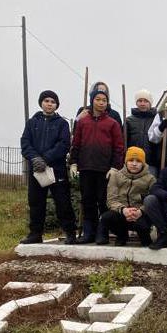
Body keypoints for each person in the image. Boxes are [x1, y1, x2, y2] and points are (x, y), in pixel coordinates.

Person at [19, 89, 77, 245]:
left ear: (56, 105)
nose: (49, 104)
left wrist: (45, 158)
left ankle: (70, 232)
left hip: (56, 169)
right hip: (36, 170)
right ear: (41, 103)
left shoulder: (62, 124)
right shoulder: (32, 123)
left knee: (63, 202)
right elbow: (25, 143)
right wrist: (35, 158)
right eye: (47, 101)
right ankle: (35, 234)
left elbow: (64, 144)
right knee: (36, 202)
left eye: (53, 102)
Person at [69, 86, 125, 243]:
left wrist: (115, 167)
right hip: (86, 167)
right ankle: (89, 233)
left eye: (104, 100)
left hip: (104, 169)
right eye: (98, 99)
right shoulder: (82, 122)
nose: (101, 103)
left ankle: (102, 232)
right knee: (88, 200)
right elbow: (76, 143)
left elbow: (119, 148)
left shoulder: (112, 123)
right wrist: (73, 162)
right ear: (92, 101)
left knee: (103, 201)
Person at [96, 146, 156, 246]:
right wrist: (123, 210)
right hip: (122, 214)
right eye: (131, 160)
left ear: (143, 163)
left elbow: (153, 200)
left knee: (144, 233)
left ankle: (145, 237)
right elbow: (111, 200)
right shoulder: (116, 176)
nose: (134, 164)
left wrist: (140, 211)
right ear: (126, 161)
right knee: (107, 217)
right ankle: (122, 235)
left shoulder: (150, 179)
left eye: (138, 161)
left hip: (140, 215)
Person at [124, 89, 157, 156]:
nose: (142, 103)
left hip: (152, 161)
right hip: (133, 160)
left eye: (146, 101)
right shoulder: (128, 121)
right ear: (136, 103)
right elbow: (123, 141)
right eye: (140, 101)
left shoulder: (156, 120)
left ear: (150, 103)